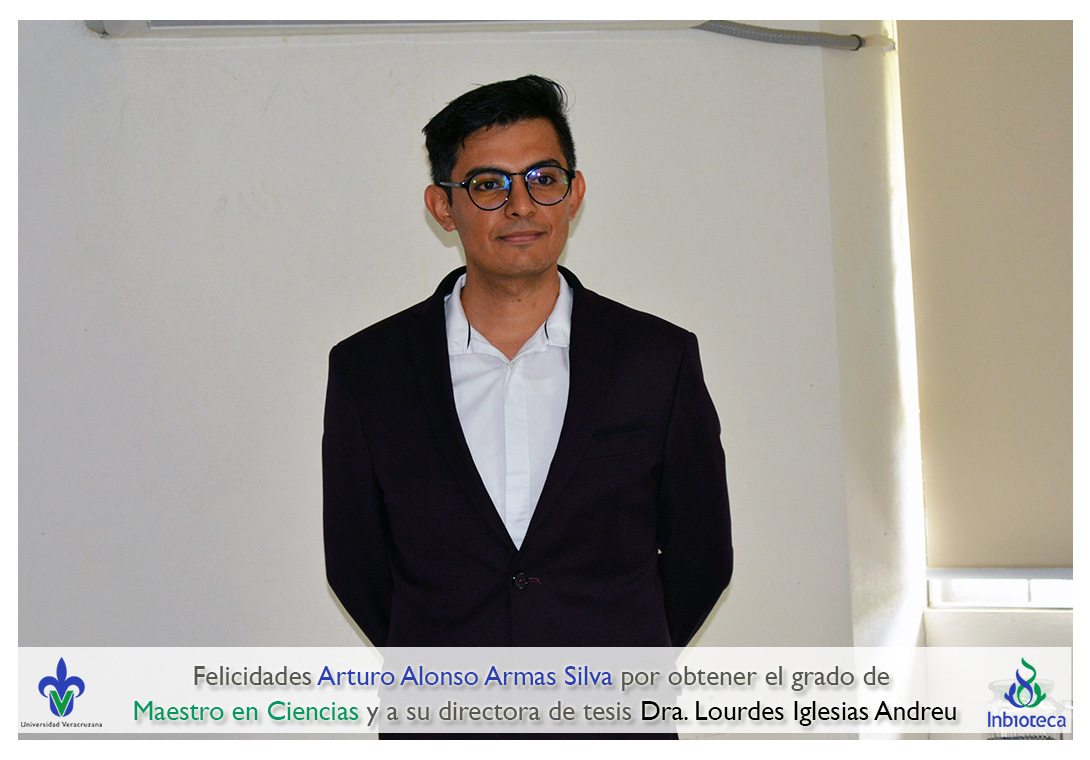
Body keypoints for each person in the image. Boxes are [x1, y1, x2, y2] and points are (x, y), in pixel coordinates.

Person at [323, 75, 732, 650]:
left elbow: (702, 555)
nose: (521, 205)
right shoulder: (369, 371)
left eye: (544, 179)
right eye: (489, 184)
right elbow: (355, 563)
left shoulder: (657, 360)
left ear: (574, 193)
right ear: (443, 206)